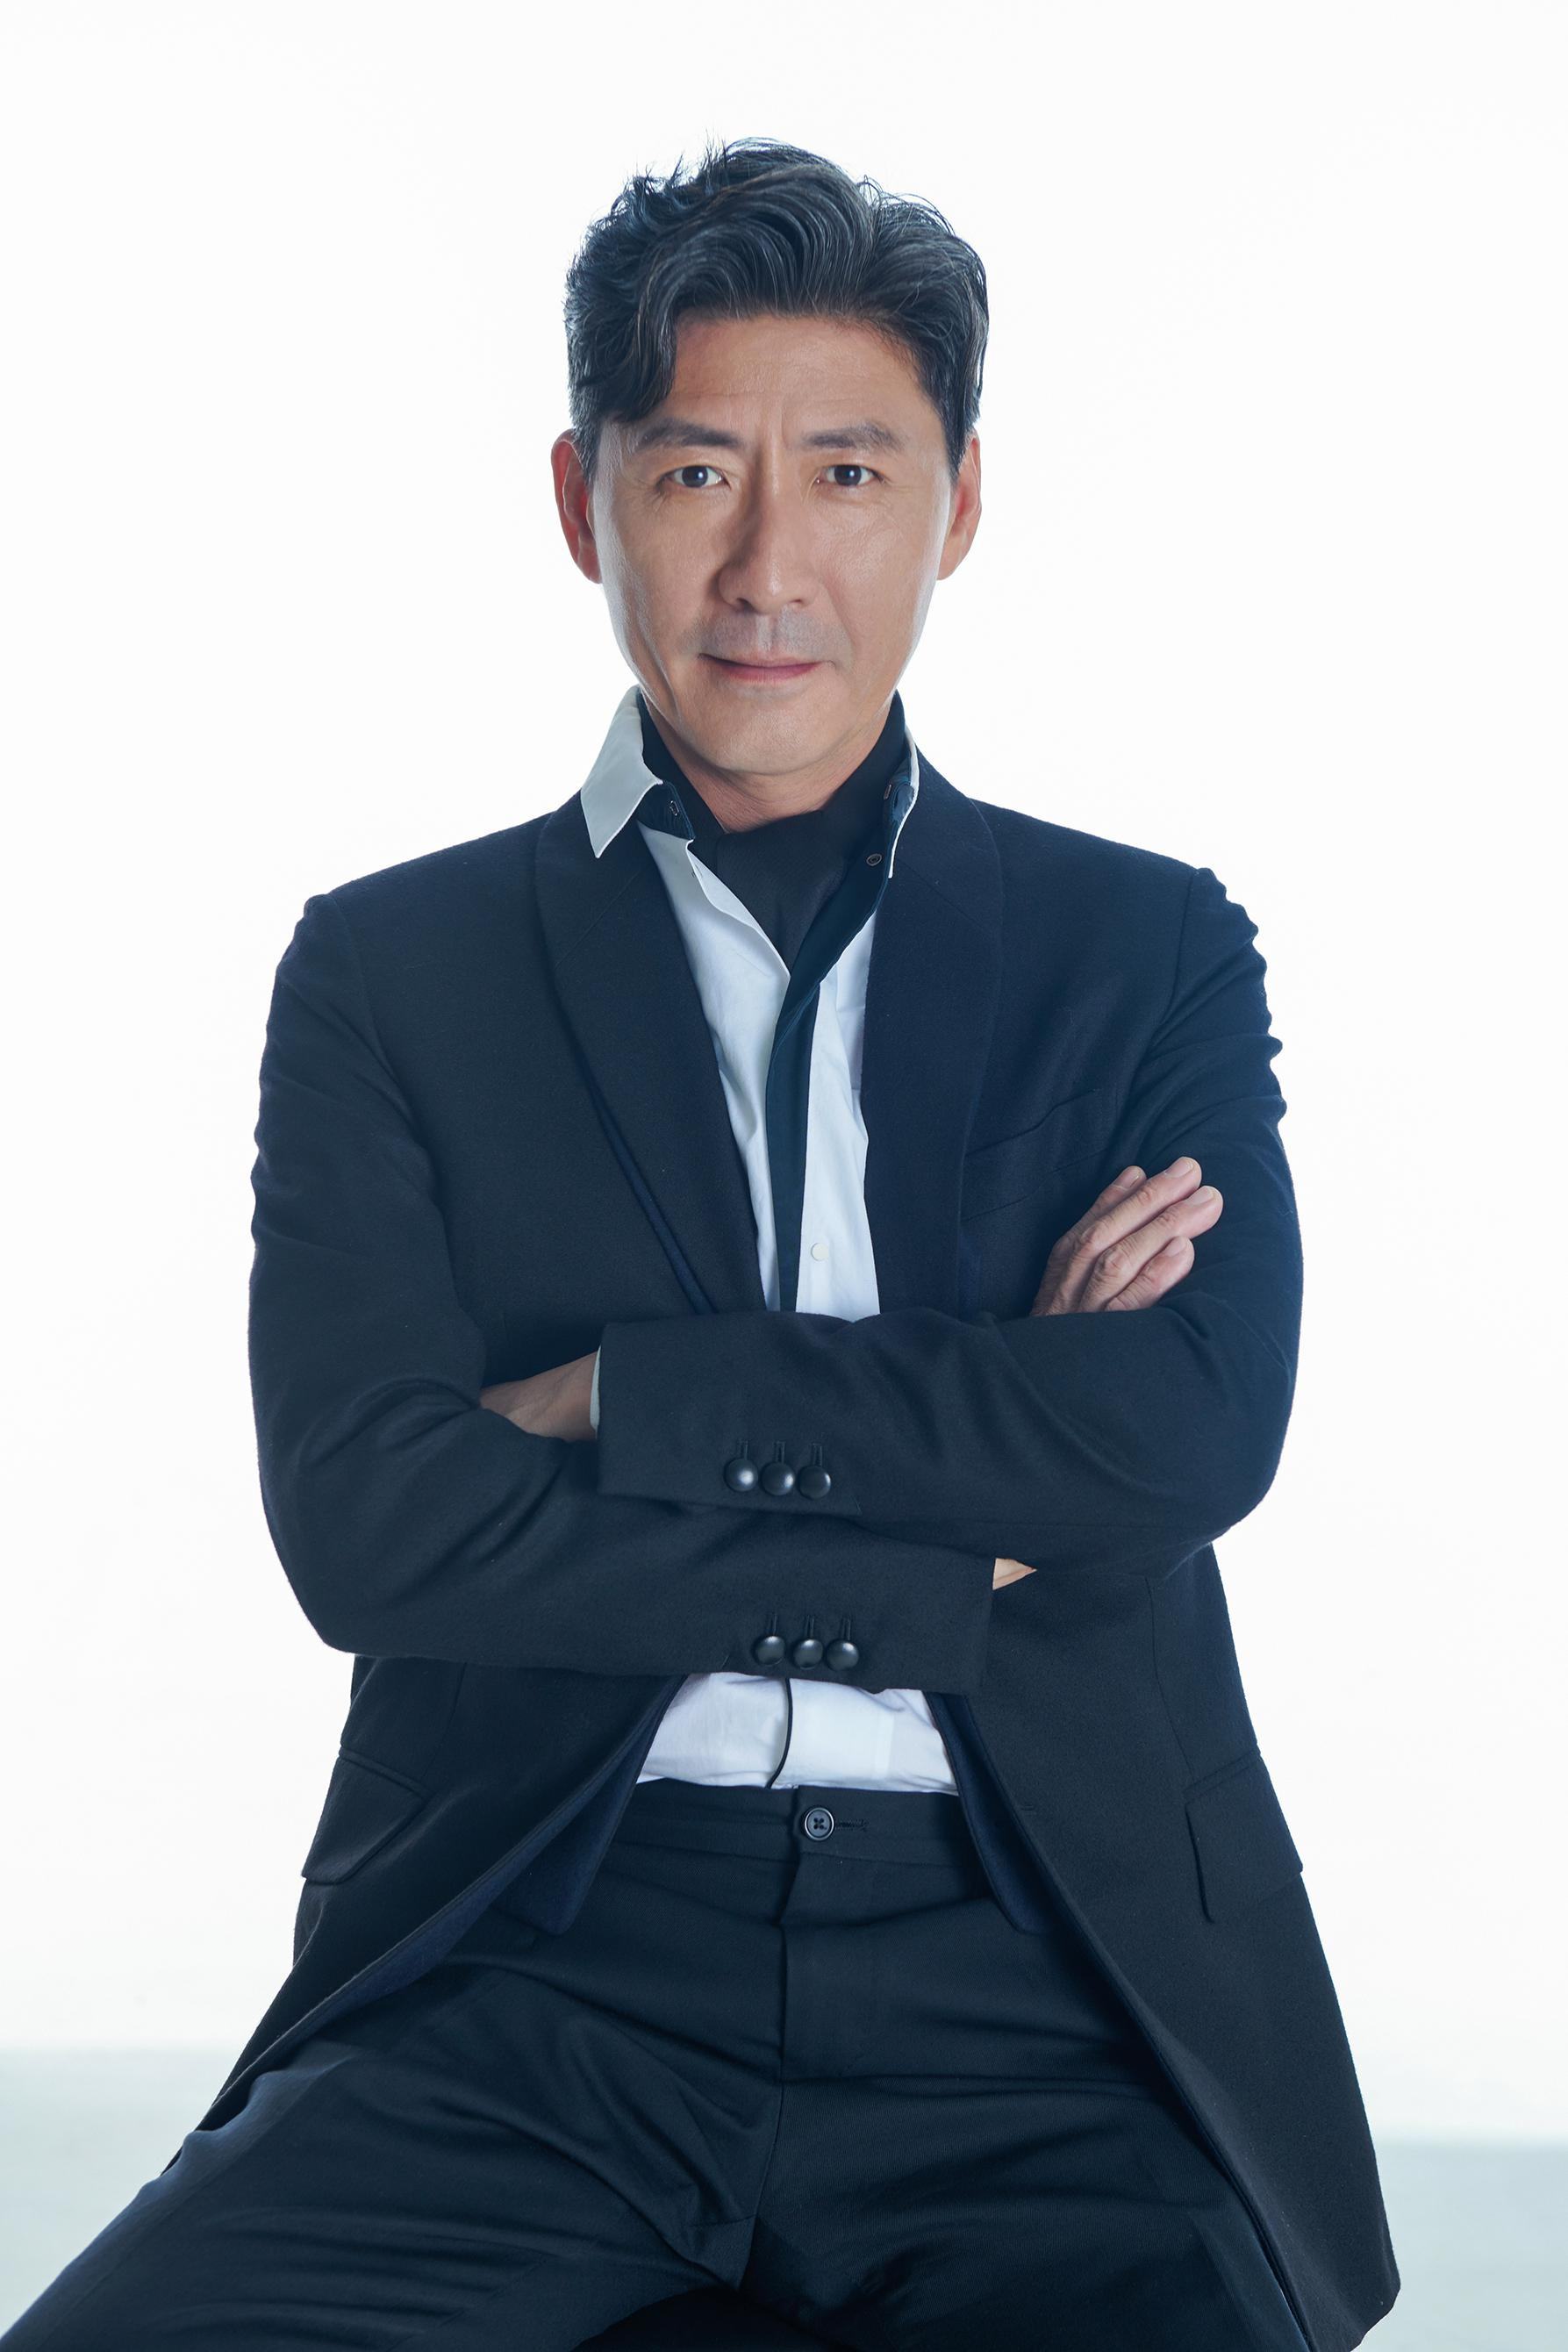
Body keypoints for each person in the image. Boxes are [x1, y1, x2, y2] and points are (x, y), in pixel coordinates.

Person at [3, 136, 1400, 2352]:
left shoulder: (1141, 949)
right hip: (539, 1969)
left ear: (957, 505)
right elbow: (373, 1524)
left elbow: (1184, 1430)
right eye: (693, 474)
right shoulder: (393, 972)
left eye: (848, 472)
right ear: (585, 502)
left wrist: (627, 1396)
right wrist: (951, 1529)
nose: (768, 565)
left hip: (1036, 1981)